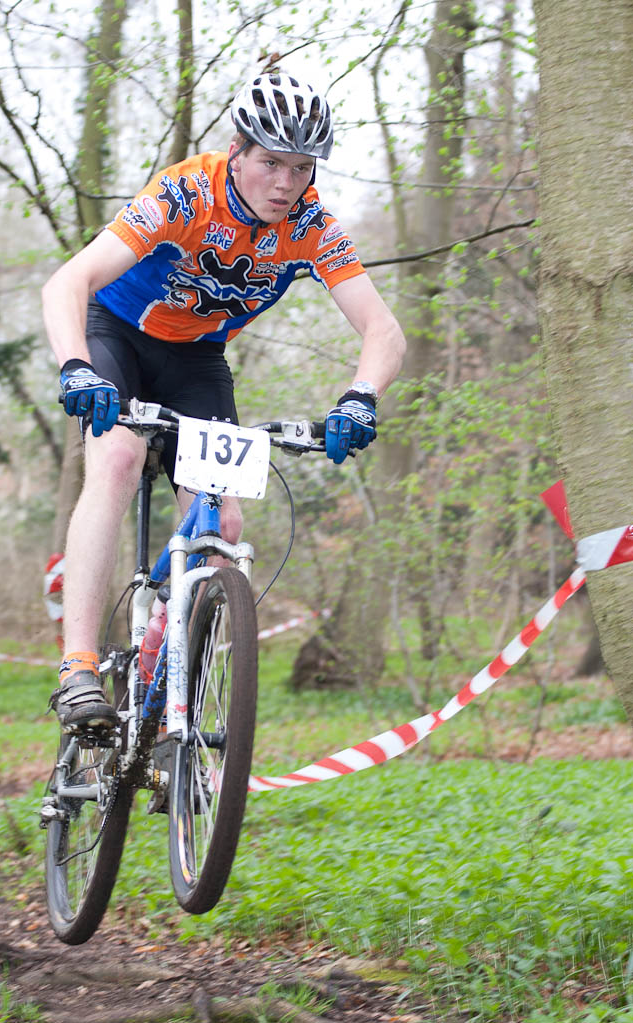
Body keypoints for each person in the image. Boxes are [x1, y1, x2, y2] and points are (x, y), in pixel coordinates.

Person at [42, 69, 406, 733]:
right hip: (117, 335)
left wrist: (360, 397)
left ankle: (170, 690)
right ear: (237, 150)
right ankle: (78, 668)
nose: (285, 184)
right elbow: (69, 281)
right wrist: (75, 367)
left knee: (225, 526)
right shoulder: (184, 193)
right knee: (118, 462)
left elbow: (384, 331)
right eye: (270, 163)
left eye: (301, 168)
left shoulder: (311, 224)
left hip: (196, 361)